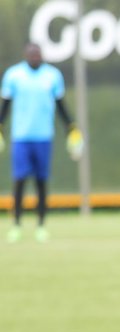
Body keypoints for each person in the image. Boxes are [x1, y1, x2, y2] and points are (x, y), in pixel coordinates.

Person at [0, 43, 76, 243]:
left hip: (43, 136)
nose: (35, 57)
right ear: (25, 55)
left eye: (38, 54)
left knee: (41, 182)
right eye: (32, 54)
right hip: (21, 137)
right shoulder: (14, 75)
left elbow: (60, 105)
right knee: (19, 180)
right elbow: (5, 106)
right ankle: (16, 225)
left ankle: (41, 226)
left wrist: (71, 127)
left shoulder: (52, 76)